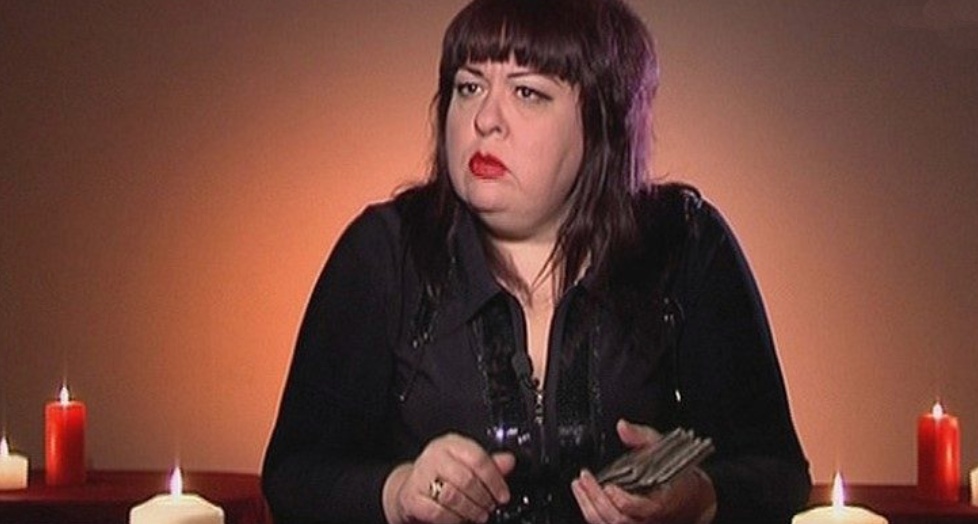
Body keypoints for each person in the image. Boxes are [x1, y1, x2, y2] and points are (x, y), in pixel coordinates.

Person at [262, 0, 811, 522]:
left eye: (527, 93)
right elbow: (293, 477)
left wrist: (700, 498)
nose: (485, 120)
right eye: (469, 87)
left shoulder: (685, 244)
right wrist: (399, 491)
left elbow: (777, 472)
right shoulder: (385, 252)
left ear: (603, 121)